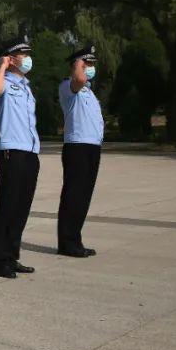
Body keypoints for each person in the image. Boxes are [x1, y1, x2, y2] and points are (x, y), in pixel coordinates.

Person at [0, 34, 39, 278]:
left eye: (28, 54)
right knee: (7, 206)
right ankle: (0, 259)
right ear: (11, 58)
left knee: (21, 207)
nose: (27, 59)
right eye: (23, 55)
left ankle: (12, 255)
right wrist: (3, 65)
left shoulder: (26, 87)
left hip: (30, 151)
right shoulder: (4, 81)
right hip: (12, 150)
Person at [58, 44, 103, 259]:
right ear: (76, 65)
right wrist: (79, 65)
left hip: (92, 147)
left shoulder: (88, 92)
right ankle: (67, 242)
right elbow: (79, 79)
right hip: (77, 147)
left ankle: (75, 239)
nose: (90, 67)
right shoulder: (68, 86)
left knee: (84, 196)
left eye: (92, 63)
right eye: (87, 63)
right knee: (74, 195)